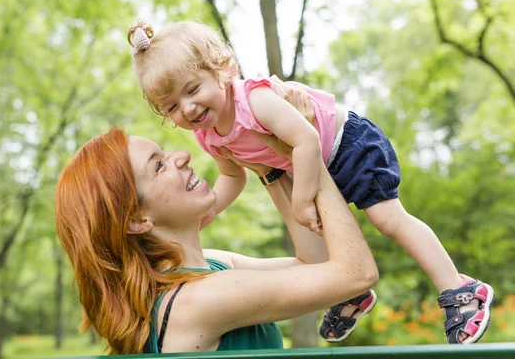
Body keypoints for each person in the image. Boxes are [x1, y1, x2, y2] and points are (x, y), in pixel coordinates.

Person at [126, 20, 494, 344]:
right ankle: (351, 296)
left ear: (220, 70)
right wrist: (211, 212)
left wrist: (302, 200)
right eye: (172, 107)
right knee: (321, 248)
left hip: (345, 144)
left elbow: (306, 141)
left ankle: (461, 288)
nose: (187, 109)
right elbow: (231, 176)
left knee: (386, 218)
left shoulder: (254, 100)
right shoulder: (209, 136)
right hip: (303, 168)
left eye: (192, 90)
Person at [55, 124, 378, 354]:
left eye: (164, 152)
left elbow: (316, 265)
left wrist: (268, 166)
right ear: (138, 220)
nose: (181, 155)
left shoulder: (211, 266)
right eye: (158, 165)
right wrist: (304, 149)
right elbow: (356, 274)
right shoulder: (196, 300)